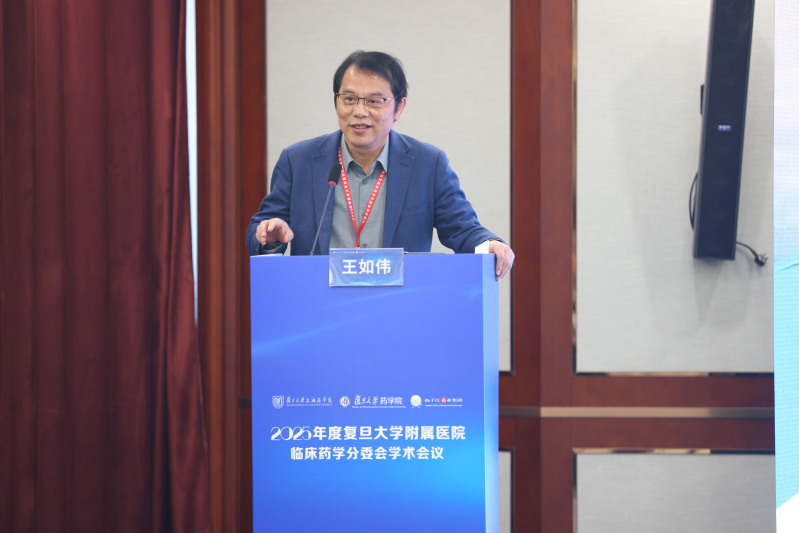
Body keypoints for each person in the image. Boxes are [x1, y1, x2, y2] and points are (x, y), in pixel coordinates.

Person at [245, 50, 515, 280]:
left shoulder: (427, 164)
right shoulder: (299, 161)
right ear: (336, 102)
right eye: (349, 99)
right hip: (317, 306)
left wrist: (489, 243)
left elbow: (462, 228)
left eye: (374, 101)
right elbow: (260, 230)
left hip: (396, 307)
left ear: (399, 107)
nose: (359, 112)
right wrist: (269, 234)